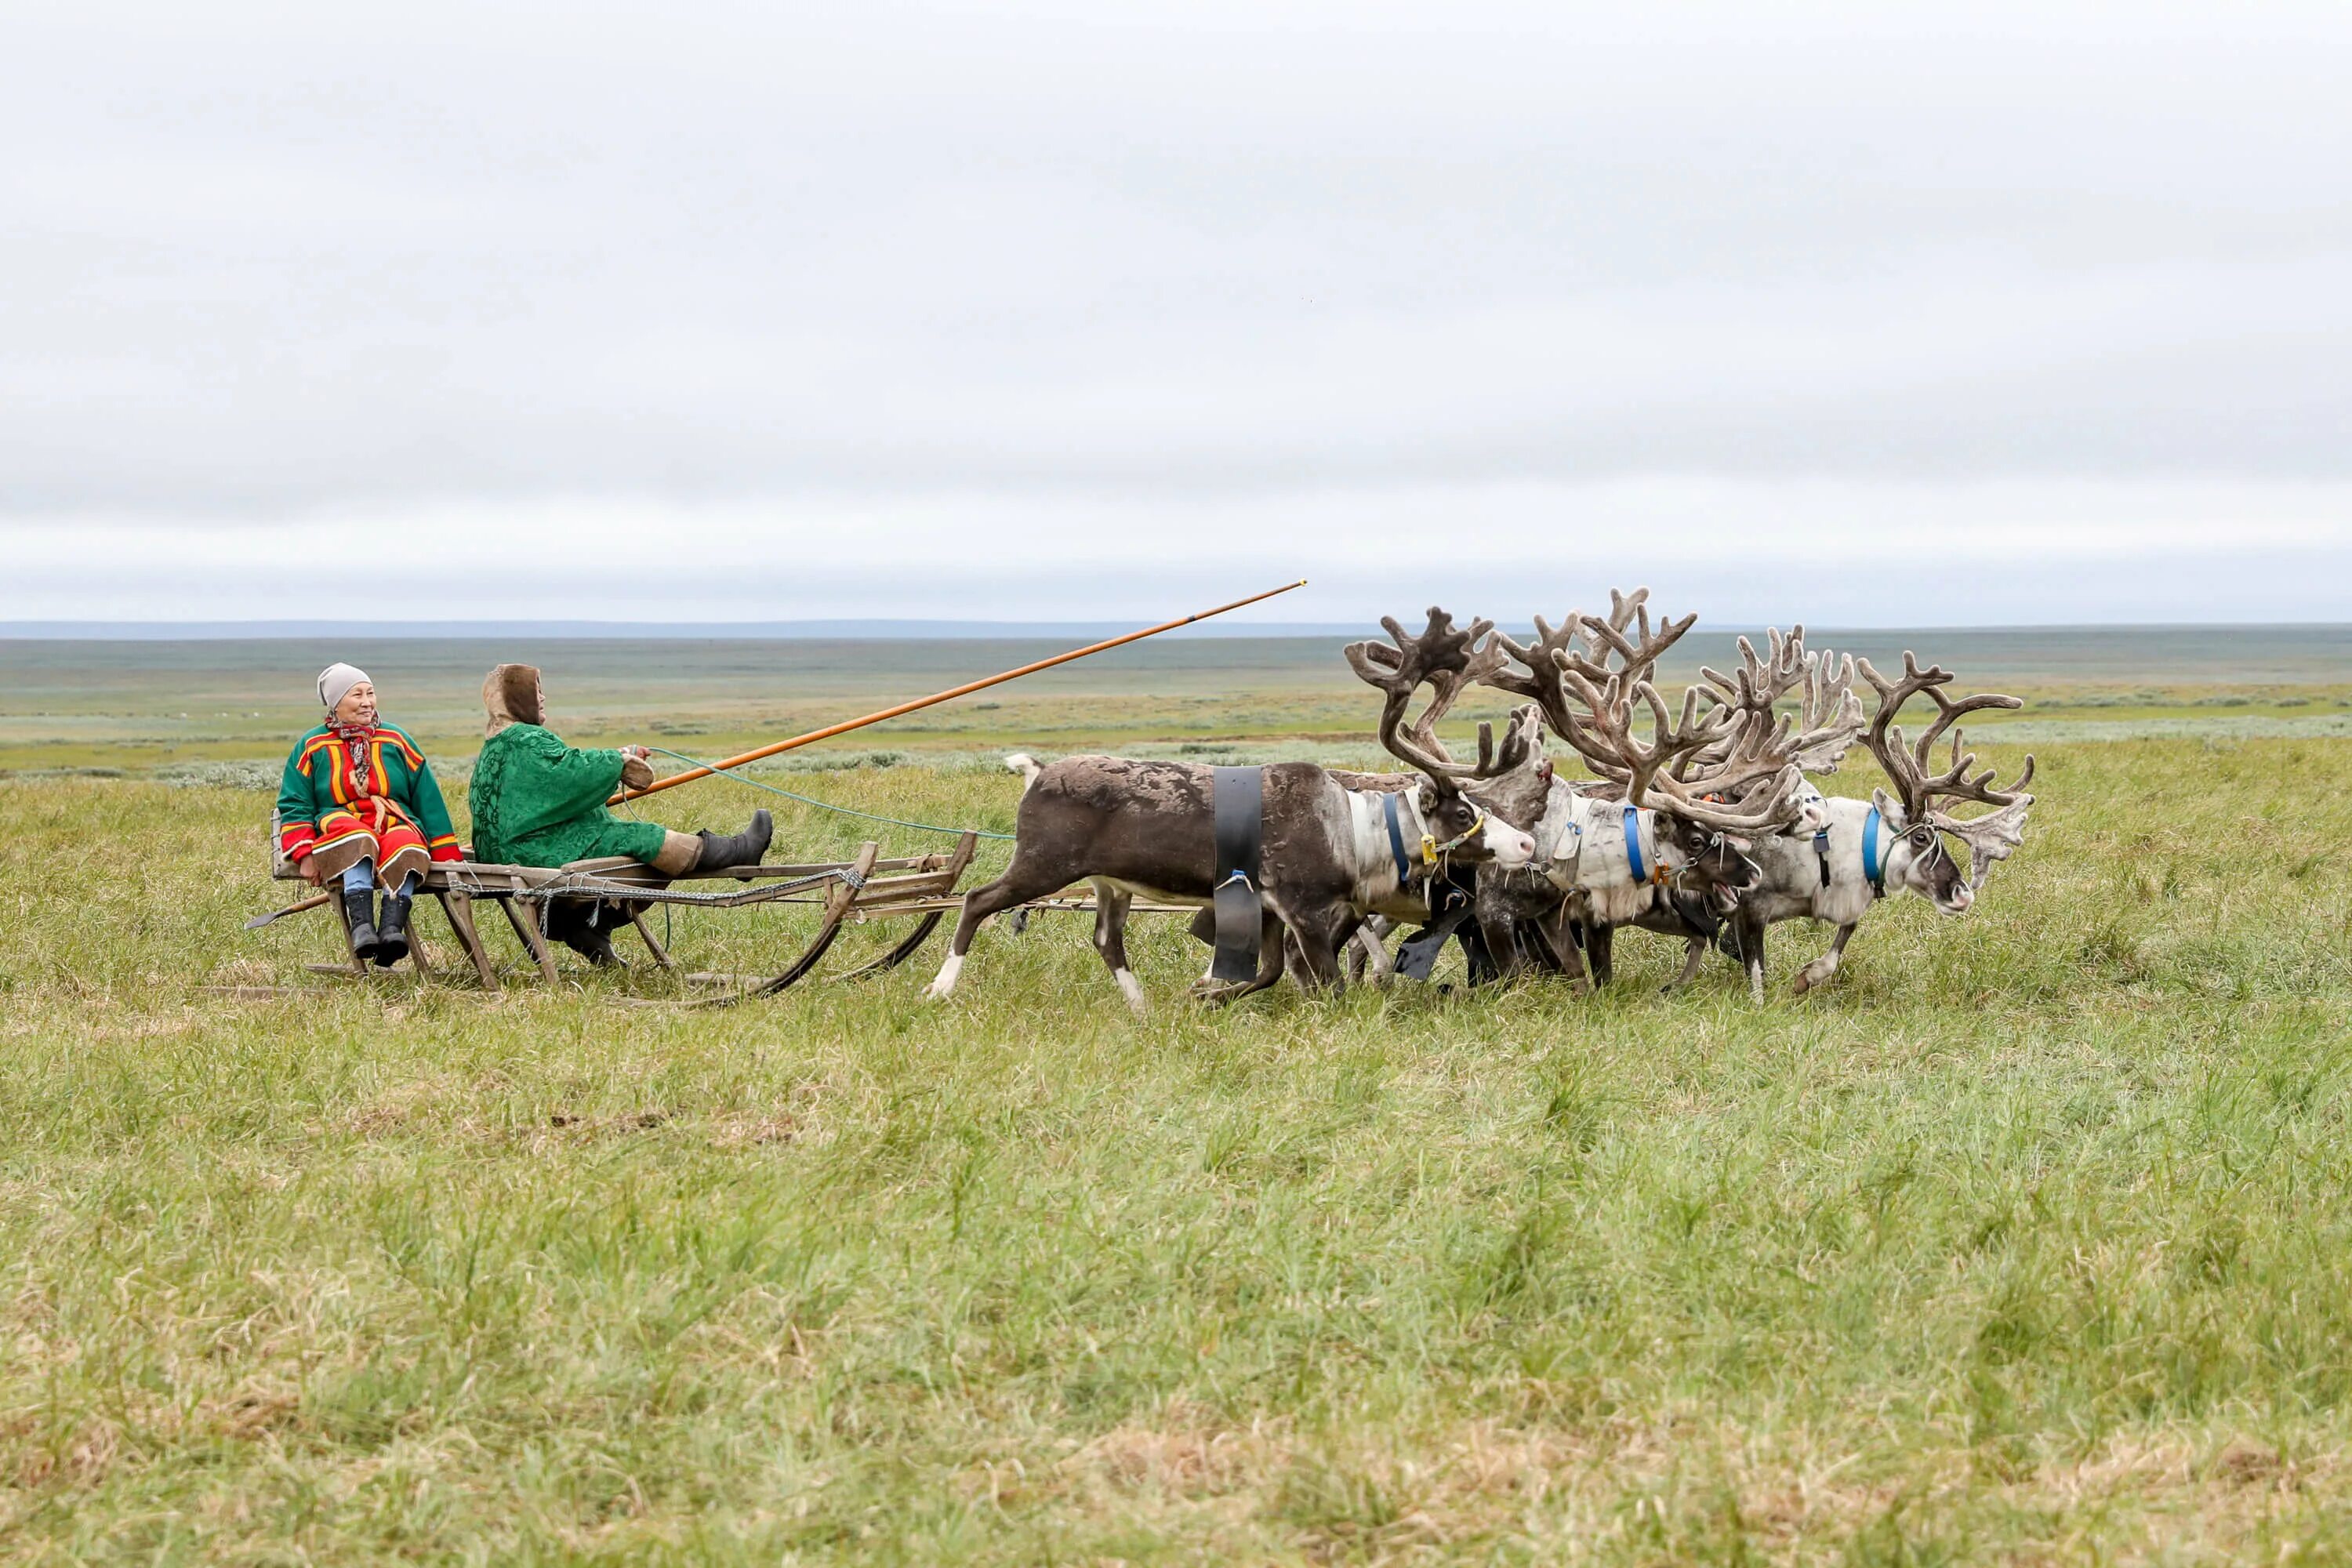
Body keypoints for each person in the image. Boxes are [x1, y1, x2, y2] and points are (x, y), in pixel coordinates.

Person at [469, 659, 771, 896]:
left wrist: (617, 757)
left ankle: (586, 930)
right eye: (536, 690)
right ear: (518, 698)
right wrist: (617, 762)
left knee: (620, 836)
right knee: (640, 837)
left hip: (503, 851)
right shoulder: (528, 738)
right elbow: (569, 773)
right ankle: (738, 854)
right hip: (533, 854)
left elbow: (545, 785)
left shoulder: (495, 746)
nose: (543, 697)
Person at [277, 663, 463, 966]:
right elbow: (295, 802)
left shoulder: (396, 739)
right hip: (340, 821)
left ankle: (391, 931)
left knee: (406, 841)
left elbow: (426, 796)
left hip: (392, 819)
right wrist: (305, 854)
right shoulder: (312, 745)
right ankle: (362, 929)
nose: (367, 701)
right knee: (357, 837)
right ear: (337, 703)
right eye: (357, 695)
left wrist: (445, 852)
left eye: (370, 693)